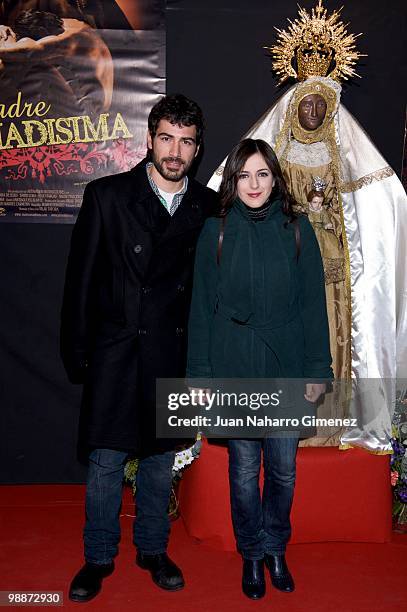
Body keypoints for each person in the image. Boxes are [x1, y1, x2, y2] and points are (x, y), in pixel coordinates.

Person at [208, 0, 407, 452]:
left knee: (328, 331)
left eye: (321, 105)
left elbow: (368, 204)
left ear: (330, 109)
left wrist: (330, 219)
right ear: (294, 107)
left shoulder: (343, 156)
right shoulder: (272, 154)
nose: (312, 113)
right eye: (306, 104)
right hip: (284, 253)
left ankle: (330, 420)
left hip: (329, 258)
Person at [60, 93, 217, 603]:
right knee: (106, 459)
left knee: (157, 460)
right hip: (116, 349)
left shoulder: (209, 208)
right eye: (166, 138)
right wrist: (78, 351)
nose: (175, 151)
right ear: (149, 139)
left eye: (186, 143)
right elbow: (80, 282)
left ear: (196, 150)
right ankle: (98, 556)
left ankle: (152, 548)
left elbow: (210, 295)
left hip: (170, 353)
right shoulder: (107, 195)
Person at [186, 138, 332, 600]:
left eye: (262, 174)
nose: (254, 184)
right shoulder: (216, 230)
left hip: (286, 363)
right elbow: (201, 309)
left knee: (284, 469)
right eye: (244, 175)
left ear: (275, 179)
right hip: (234, 363)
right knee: (245, 469)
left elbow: (313, 305)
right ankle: (251, 553)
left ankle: (275, 548)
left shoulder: (297, 228)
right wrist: (200, 375)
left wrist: (317, 368)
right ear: (233, 181)